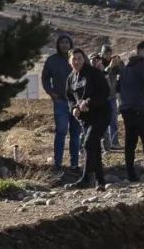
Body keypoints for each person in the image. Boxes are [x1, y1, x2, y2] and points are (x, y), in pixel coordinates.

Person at [64, 48, 110, 191]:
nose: (77, 61)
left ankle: (85, 178)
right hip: (85, 118)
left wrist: (88, 102)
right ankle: (100, 182)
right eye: (74, 59)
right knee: (94, 148)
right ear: (69, 61)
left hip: (101, 114)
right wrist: (73, 108)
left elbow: (104, 92)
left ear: (84, 59)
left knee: (89, 143)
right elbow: (69, 97)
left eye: (79, 58)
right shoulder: (71, 78)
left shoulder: (93, 74)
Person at [40, 32, 81, 173]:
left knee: (76, 133)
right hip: (61, 101)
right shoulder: (52, 60)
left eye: (67, 42)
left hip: (76, 102)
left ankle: (74, 164)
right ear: (58, 45)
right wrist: (51, 93)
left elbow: (87, 75)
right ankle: (58, 163)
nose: (64, 45)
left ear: (71, 44)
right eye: (62, 42)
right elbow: (45, 78)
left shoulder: (77, 59)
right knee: (61, 131)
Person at [118, 40, 144, 182]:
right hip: (139, 108)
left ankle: (130, 174)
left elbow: (118, 87)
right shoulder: (143, 66)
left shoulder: (126, 67)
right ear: (139, 50)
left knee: (130, 142)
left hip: (126, 109)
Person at [101, 45, 122, 151]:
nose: (108, 56)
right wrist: (110, 66)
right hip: (102, 98)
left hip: (112, 96)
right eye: (106, 53)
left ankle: (114, 142)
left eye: (109, 53)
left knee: (113, 120)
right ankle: (104, 144)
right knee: (103, 121)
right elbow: (103, 75)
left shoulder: (114, 64)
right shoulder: (99, 62)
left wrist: (119, 63)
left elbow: (123, 73)